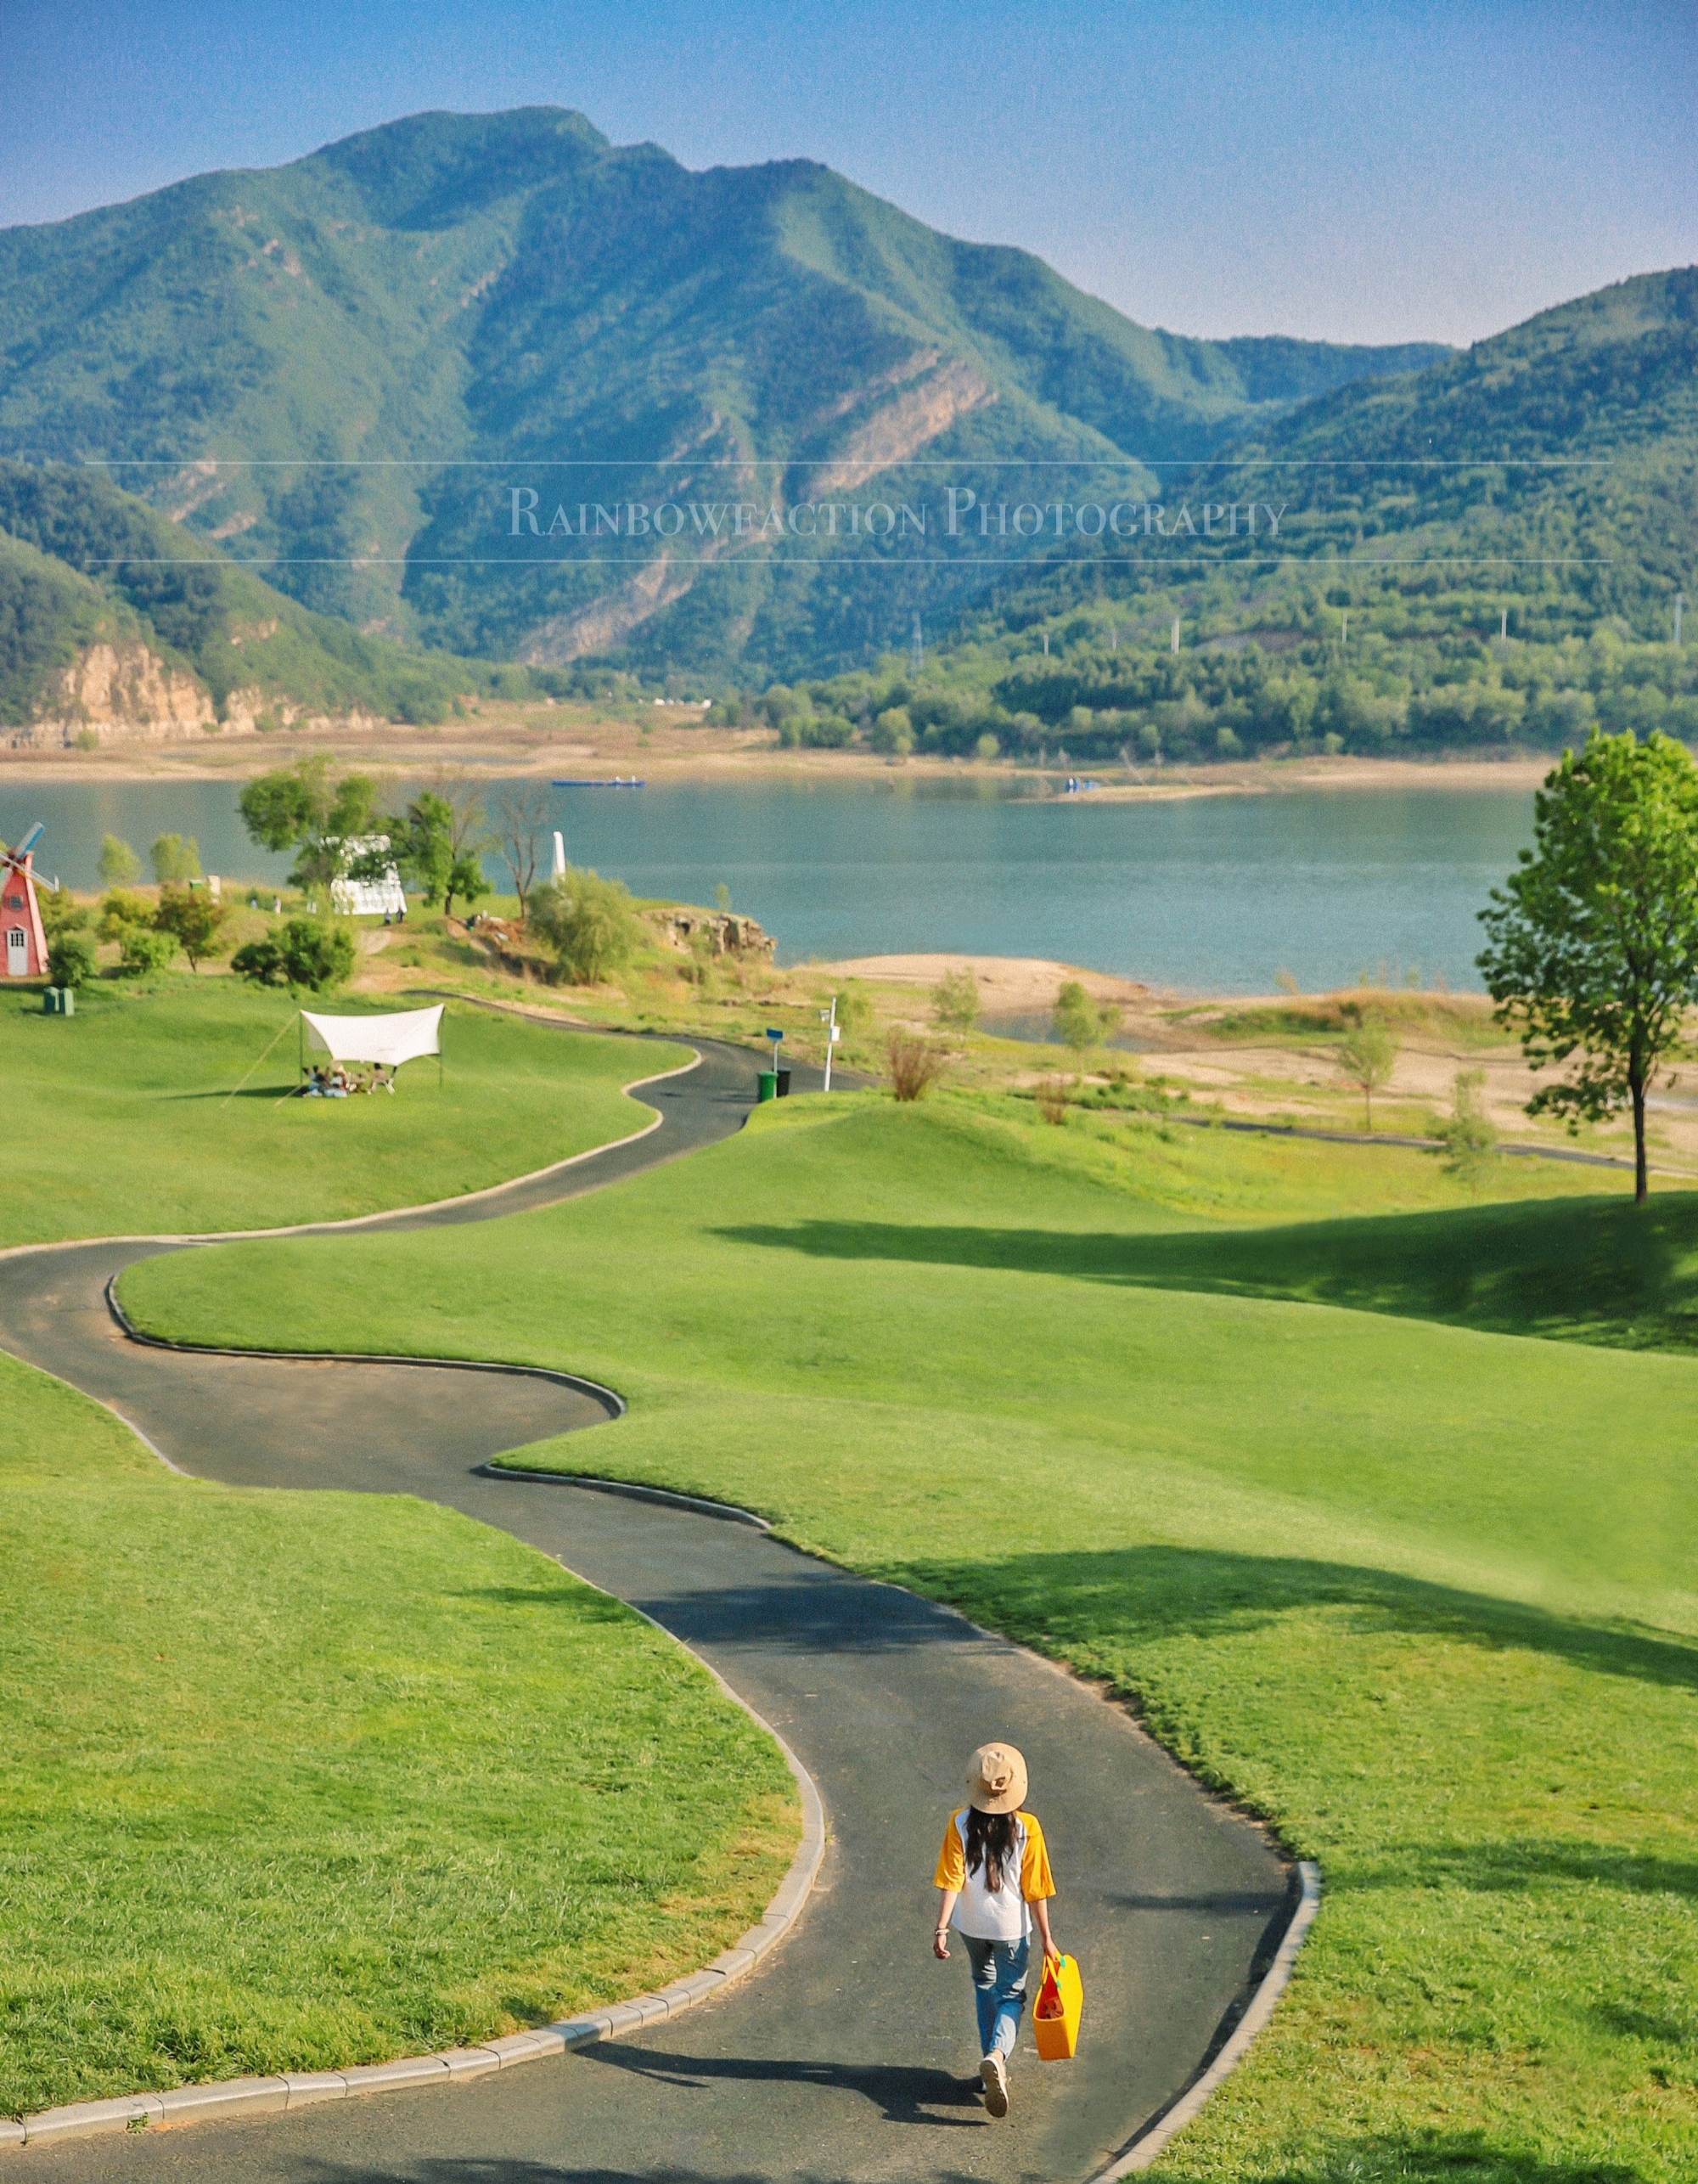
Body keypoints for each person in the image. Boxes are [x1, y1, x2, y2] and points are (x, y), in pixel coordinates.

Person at [931, 1741, 1058, 2119]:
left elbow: (951, 1879)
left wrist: (941, 1928)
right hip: (1010, 1929)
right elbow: (1036, 1889)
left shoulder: (958, 1822)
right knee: (1013, 1996)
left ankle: (990, 2074)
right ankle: (997, 2055)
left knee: (984, 1984)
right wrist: (1048, 1939)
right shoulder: (1027, 1827)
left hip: (970, 1925)